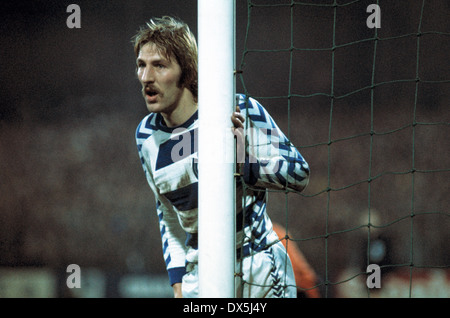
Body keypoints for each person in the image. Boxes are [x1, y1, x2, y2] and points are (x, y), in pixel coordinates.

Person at [133, 16, 310, 298]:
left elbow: (299, 173)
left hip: (259, 268)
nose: (146, 77)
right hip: (200, 275)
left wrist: (245, 166)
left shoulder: (239, 109)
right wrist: (178, 281)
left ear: (187, 72)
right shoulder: (146, 137)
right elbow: (167, 212)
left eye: (159, 65)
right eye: (142, 65)